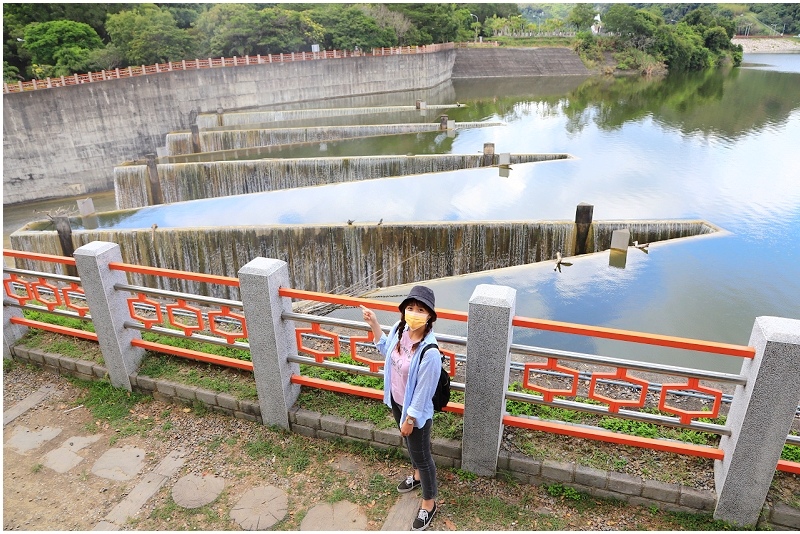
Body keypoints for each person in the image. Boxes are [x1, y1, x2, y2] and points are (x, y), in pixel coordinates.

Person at [360, 285, 441, 531]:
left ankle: (429, 502)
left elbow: (424, 392)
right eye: (410, 308)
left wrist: (410, 419)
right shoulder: (399, 329)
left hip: (414, 412)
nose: (414, 313)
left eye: (420, 309)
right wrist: (374, 323)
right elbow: (386, 350)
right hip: (397, 401)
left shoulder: (430, 352)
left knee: (423, 456)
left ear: (429, 316)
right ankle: (416, 477)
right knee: (412, 448)